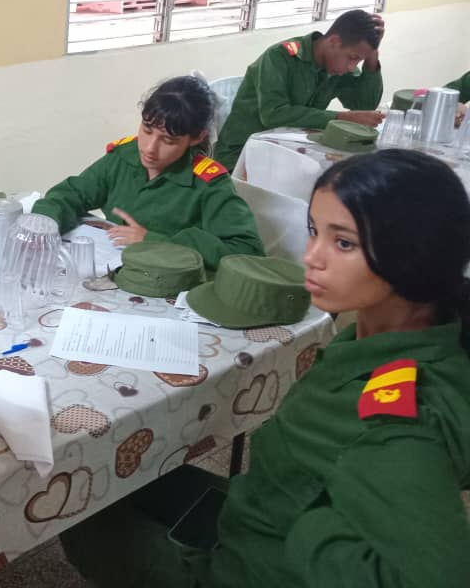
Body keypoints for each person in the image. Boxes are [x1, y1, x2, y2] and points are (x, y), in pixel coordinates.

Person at [60, 149, 470, 587]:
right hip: (253, 513)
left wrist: (308, 527)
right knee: (112, 479)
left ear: (413, 254)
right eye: (314, 232)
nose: (312, 256)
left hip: (250, 567)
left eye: (343, 242)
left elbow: (441, 575)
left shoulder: (392, 423)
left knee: (74, 512)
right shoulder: (402, 337)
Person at [32, 74, 264, 272]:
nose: (150, 148)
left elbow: (246, 252)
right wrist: (44, 225)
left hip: (166, 282)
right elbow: (71, 194)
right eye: (147, 130)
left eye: (168, 140)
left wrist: (153, 241)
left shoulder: (209, 184)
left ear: (196, 138)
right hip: (113, 269)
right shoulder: (124, 157)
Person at [214, 9, 386, 171]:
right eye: (353, 58)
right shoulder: (279, 57)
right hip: (242, 155)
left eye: (358, 61)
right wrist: (340, 117)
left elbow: (364, 104)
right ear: (334, 42)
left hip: (288, 153)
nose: (351, 67)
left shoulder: (337, 67)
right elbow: (273, 115)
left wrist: (372, 57)